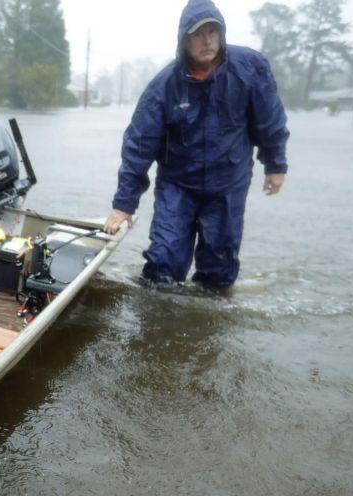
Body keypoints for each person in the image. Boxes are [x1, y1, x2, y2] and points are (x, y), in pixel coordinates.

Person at [103, 0, 290, 290]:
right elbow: (139, 145)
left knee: (218, 270)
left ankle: (207, 321)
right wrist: (124, 204)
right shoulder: (163, 87)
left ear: (222, 34)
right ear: (183, 40)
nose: (207, 40)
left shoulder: (250, 69)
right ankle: (160, 321)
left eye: (213, 31)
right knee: (163, 264)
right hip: (178, 185)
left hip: (228, 183)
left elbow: (270, 119)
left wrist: (275, 164)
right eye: (198, 34)